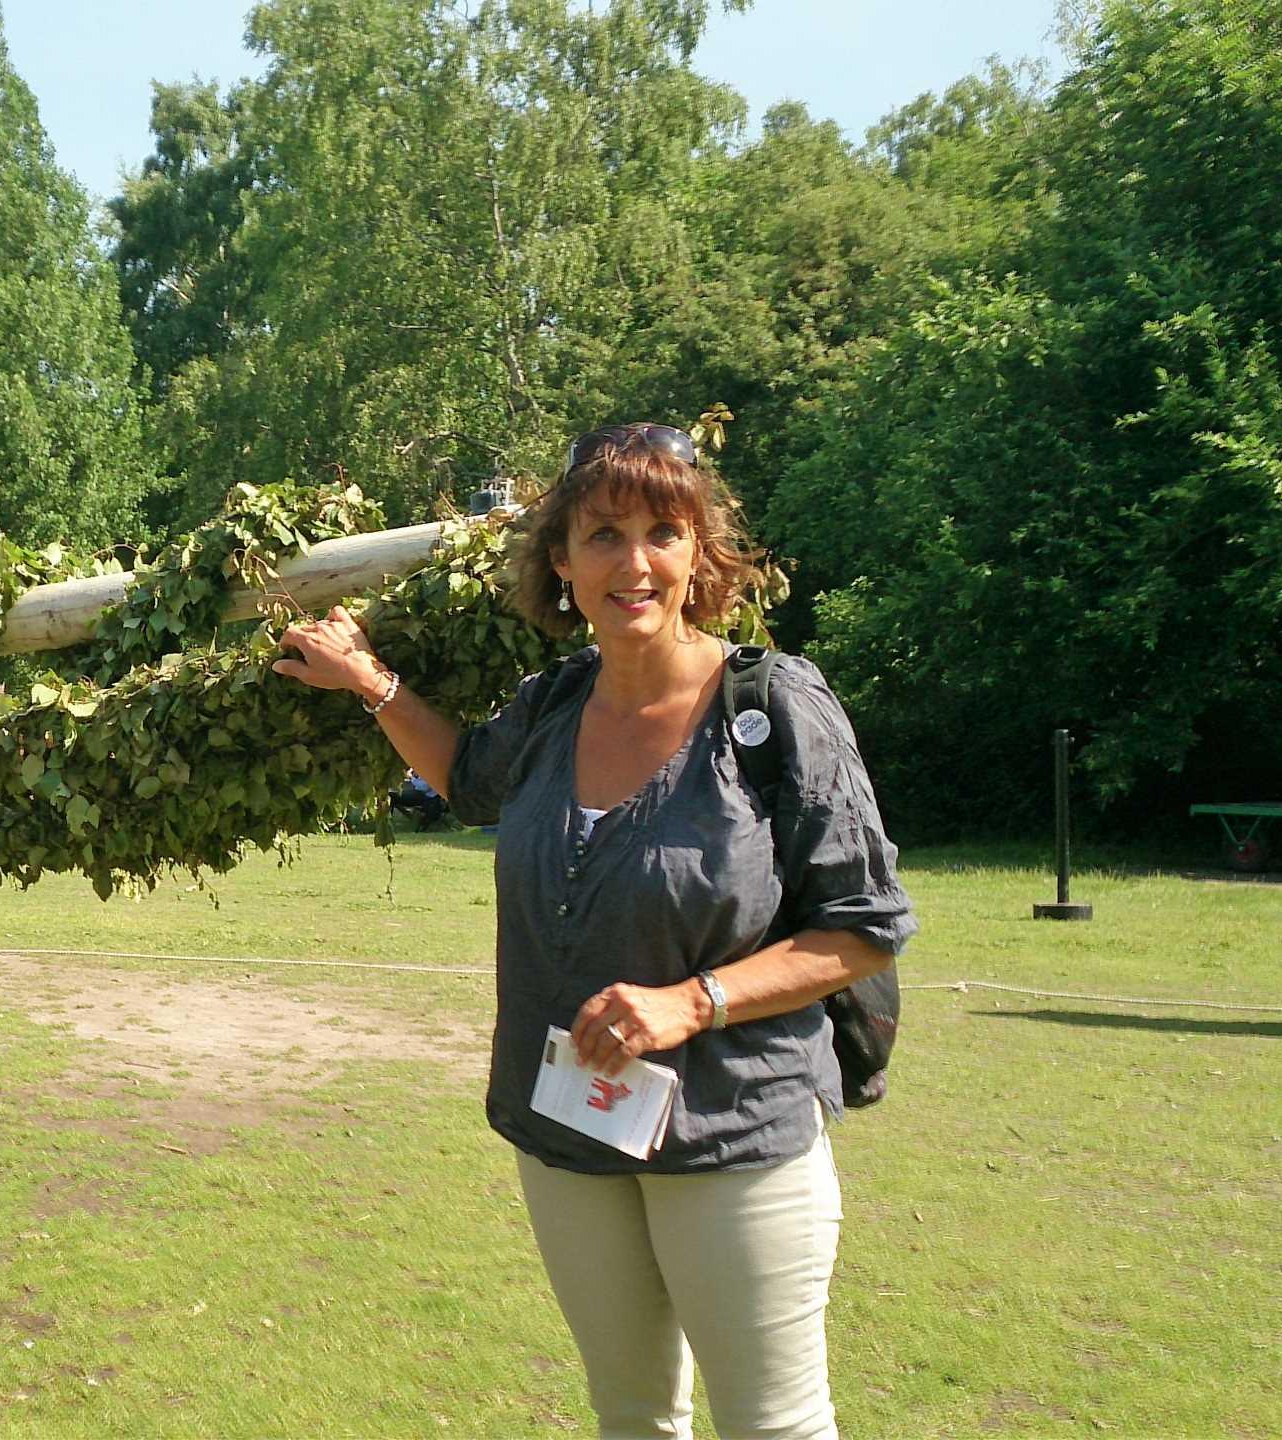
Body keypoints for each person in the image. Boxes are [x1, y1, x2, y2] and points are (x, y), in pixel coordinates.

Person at [273, 422, 915, 1439]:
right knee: (630, 1416)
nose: (635, 562)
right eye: (604, 533)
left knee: (772, 1425)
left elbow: (863, 928)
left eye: (663, 531)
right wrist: (367, 681)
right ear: (561, 560)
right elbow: (467, 775)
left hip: (734, 1134)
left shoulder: (773, 708)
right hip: (571, 1126)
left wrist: (688, 1003)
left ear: (699, 554)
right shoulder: (551, 706)